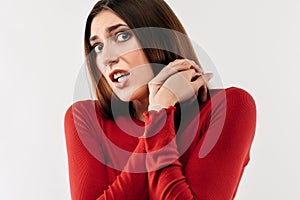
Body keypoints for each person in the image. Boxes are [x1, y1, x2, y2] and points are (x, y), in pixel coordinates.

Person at [64, 0, 257, 199]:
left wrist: (158, 114)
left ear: (159, 38)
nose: (106, 58)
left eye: (122, 36)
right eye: (97, 46)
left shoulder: (230, 106)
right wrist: (158, 113)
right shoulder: (85, 118)